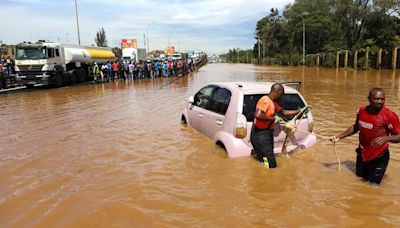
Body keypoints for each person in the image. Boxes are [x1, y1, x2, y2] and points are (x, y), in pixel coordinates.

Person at [331, 87, 400, 185]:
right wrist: (339, 136)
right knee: (359, 180)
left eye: (382, 99)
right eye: (376, 99)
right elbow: (356, 127)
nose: (380, 101)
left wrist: (386, 138)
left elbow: (399, 136)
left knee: (373, 186)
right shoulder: (361, 111)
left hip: (379, 156)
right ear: (369, 99)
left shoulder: (390, 116)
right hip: (362, 153)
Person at [251, 83, 304, 168]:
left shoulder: (273, 103)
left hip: (266, 133)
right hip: (260, 134)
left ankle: (263, 173)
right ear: (276, 91)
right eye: (281, 94)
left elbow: (283, 112)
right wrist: (273, 119)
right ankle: (270, 176)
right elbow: (258, 115)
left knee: (265, 159)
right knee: (272, 163)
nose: (281, 97)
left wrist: (299, 111)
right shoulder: (265, 100)